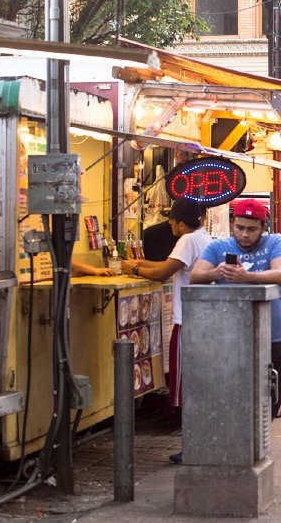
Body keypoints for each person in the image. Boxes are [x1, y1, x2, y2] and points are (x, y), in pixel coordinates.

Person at [121, 197, 212, 463]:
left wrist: (134, 267)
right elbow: (165, 265)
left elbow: (162, 272)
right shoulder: (201, 237)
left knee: (185, 384)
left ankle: (193, 447)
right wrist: (135, 265)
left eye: (171, 220)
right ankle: (197, 444)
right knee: (193, 384)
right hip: (199, 319)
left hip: (188, 321)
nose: (169, 224)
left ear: (180, 223)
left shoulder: (188, 240)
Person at [190, 198, 281, 421]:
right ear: (232, 224)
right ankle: (238, 450)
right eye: (239, 228)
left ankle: (258, 449)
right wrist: (218, 272)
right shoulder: (219, 247)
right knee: (232, 398)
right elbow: (195, 276)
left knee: (269, 404)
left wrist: (246, 277)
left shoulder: (275, 242)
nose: (245, 234)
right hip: (231, 336)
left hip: (272, 335)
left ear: (263, 228)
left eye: (251, 229)